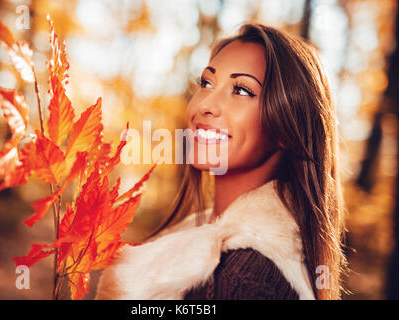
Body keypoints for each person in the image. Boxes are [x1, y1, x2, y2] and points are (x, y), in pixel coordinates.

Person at [95, 23, 349, 300]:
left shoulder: (247, 280)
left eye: (241, 90)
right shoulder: (192, 246)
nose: (205, 105)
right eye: (206, 83)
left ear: (287, 129)